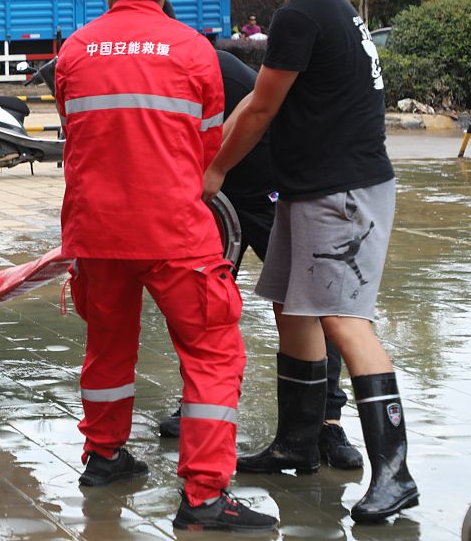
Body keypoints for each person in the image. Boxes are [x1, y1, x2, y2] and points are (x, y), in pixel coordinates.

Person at [202, 0, 417, 523]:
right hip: (313, 187)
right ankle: (298, 442)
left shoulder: (302, 13)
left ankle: (396, 472)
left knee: (346, 320)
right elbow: (267, 103)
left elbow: (260, 107)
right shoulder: (328, 5)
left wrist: (213, 170)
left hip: (342, 193)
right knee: (295, 310)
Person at [54, 0, 276, 533]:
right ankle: (204, 497)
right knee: (211, 350)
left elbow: (76, 135)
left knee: (107, 343)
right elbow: (206, 147)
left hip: (95, 229)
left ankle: (104, 459)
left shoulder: (75, 50)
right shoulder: (193, 51)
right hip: (175, 229)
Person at [156, 46, 363, 471]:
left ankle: (327, 422)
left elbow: (257, 111)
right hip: (215, 198)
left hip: (273, 191)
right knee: (199, 302)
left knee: (308, 304)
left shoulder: (217, 70)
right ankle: (197, 403)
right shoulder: (148, 75)